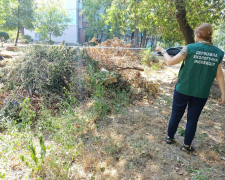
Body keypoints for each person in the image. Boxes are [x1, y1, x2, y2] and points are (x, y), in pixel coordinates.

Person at [156, 23, 225, 152]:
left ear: (198, 35)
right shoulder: (218, 53)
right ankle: (186, 146)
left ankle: (169, 138)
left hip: (183, 89)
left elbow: (170, 62)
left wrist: (163, 50)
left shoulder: (189, 48)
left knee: (176, 114)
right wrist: (223, 93)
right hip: (201, 92)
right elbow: (219, 74)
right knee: (193, 118)